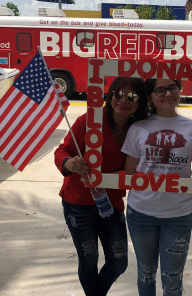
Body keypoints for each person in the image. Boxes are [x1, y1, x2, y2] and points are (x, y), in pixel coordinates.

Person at [54, 77, 149, 296]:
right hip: (78, 203)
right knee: (88, 261)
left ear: (140, 101)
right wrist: (69, 163)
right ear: (110, 94)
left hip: (112, 204)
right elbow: (62, 151)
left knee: (119, 262)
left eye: (132, 96)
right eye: (119, 93)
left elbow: (137, 170)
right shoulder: (89, 120)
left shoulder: (140, 129)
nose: (124, 100)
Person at [122, 78, 192, 296]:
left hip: (178, 215)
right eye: (160, 90)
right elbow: (128, 174)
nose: (167, 94)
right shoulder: (138, 128)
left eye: (172, 88)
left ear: (180, 91)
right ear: (151, 96)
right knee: (145, 273)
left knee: (173, 279)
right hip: (140, 213)